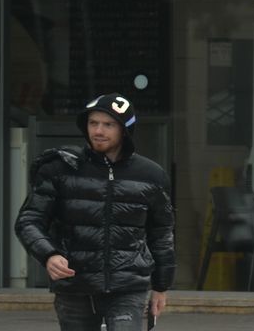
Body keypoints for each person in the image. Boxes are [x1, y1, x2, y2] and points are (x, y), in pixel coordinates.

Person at [15, 93, 175, 330]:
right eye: (93, 123)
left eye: (108, 124)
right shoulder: (60, 168)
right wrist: (48, 254)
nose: (99, 131)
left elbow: (161, 233)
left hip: (127, 286)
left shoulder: (151, 175)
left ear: (125, 129)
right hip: (74, 284)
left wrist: (161, 286)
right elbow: (29, 220)